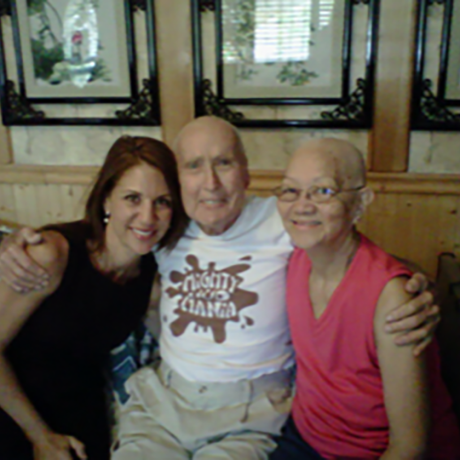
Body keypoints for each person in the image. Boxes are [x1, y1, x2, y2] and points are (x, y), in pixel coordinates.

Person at [0, 117, 439, 460]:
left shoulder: (286, 218)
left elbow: (348, 246)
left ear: (247, 173)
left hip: (249, 410)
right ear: (181, 181)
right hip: (164, 402)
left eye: (224, 163)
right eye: (193, 166)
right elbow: (97, 241)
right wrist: (13, 243)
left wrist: (414, 288)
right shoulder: (166, 230)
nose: (210, 183)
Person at [270, 138, 460, 459]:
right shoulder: (294, 256)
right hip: (304, 437)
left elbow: (410, 447)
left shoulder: (395, 300)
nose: (302, 205)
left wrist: (416, 284)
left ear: (361, 202)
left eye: (324, 191)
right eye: (290, 190)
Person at [0, 136, 188, 460]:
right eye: (132, 198)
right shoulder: (51, 254)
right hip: (13, 406)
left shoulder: (154, 277)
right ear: (106, 201)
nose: (147, 217)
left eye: (163, 202)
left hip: (81, 407)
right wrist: (40, 437)